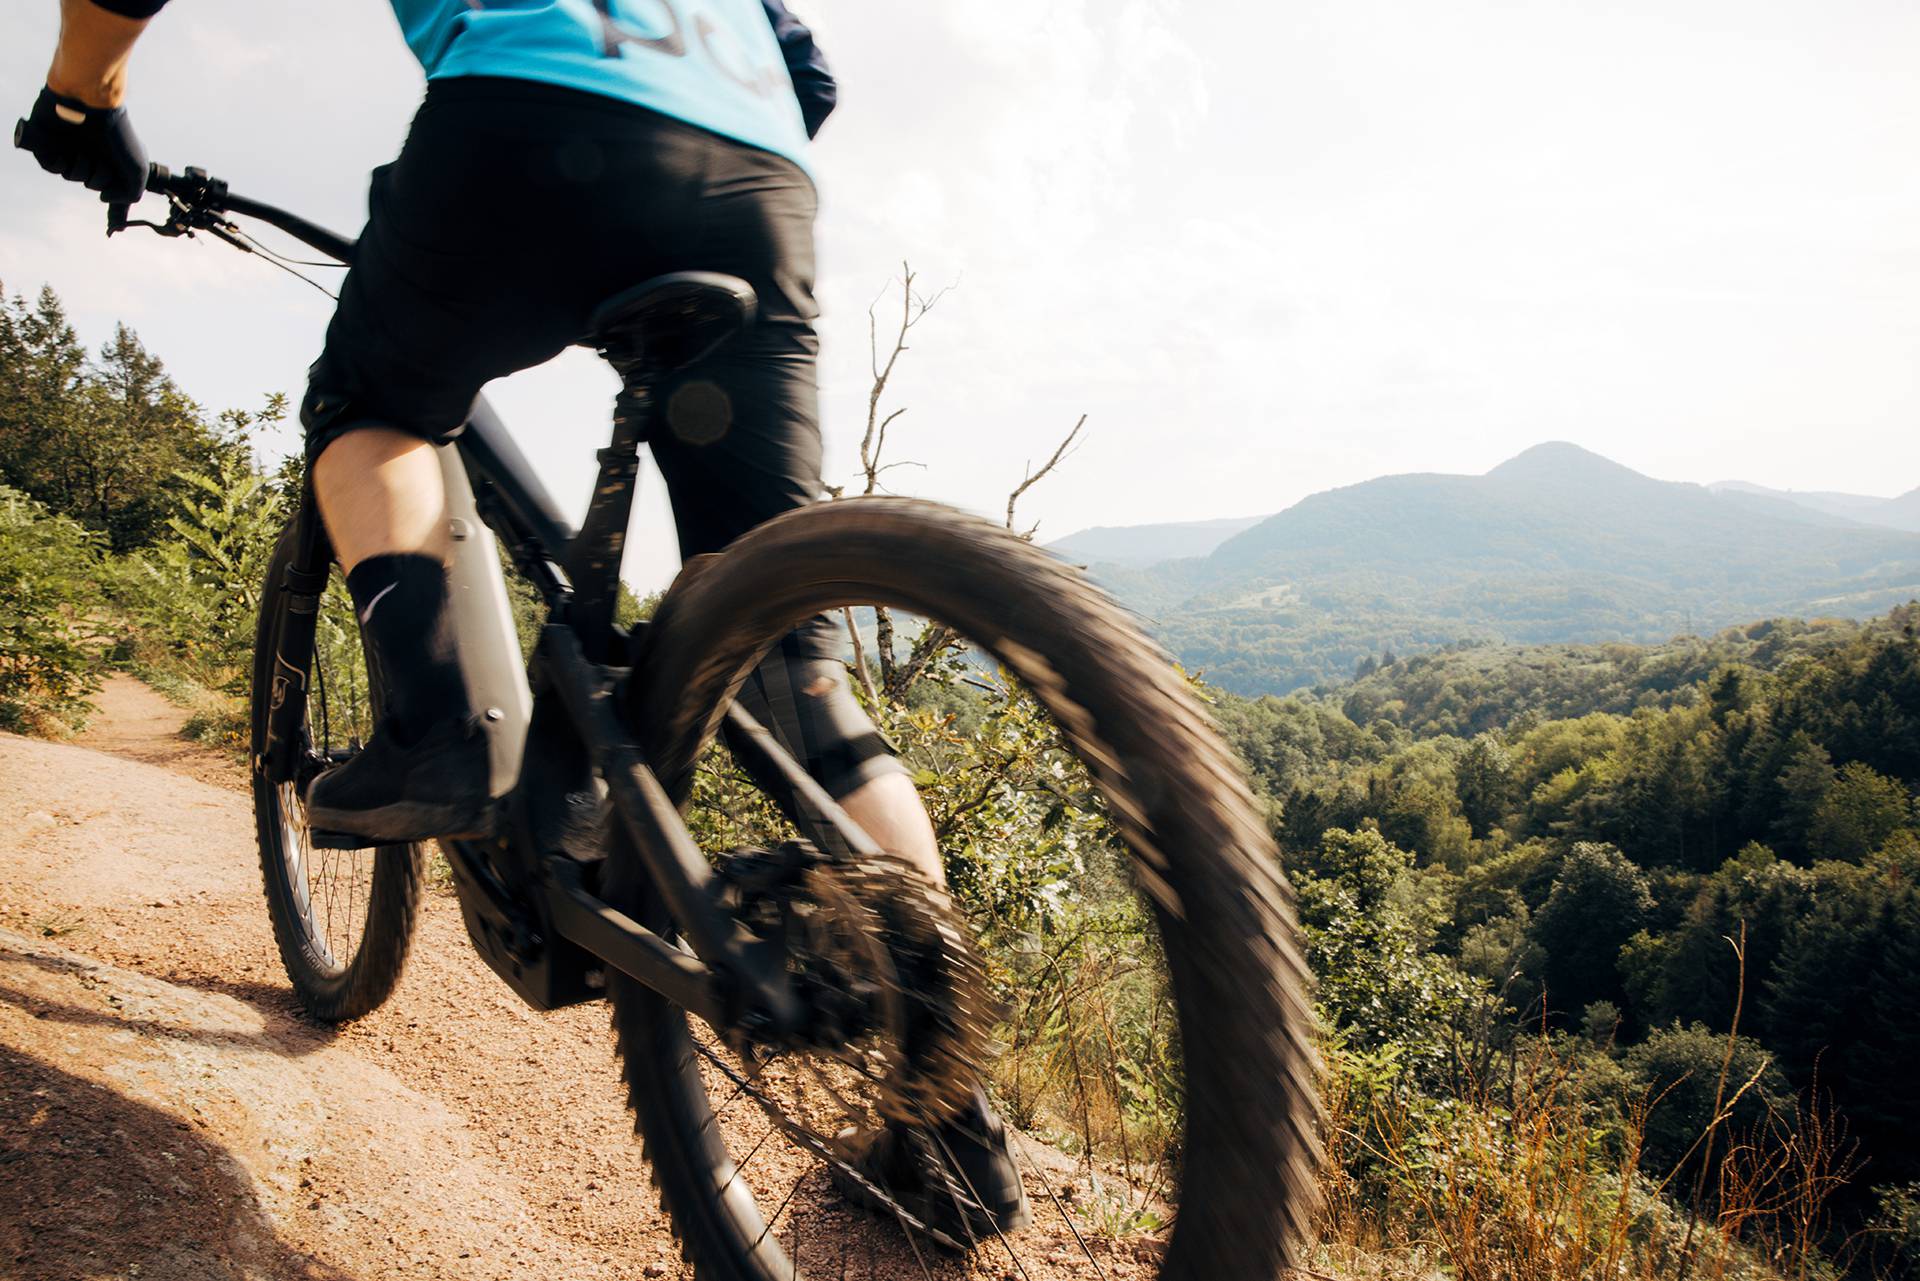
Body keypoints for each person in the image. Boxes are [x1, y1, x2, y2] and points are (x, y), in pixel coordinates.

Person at [16, 0, 1029, 1242]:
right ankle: (949, 1104)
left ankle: (443, 729)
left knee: (370, 407)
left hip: (526, 122)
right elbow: (807, 68)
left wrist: (85, 103)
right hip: (760, 169)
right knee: (792, 645)